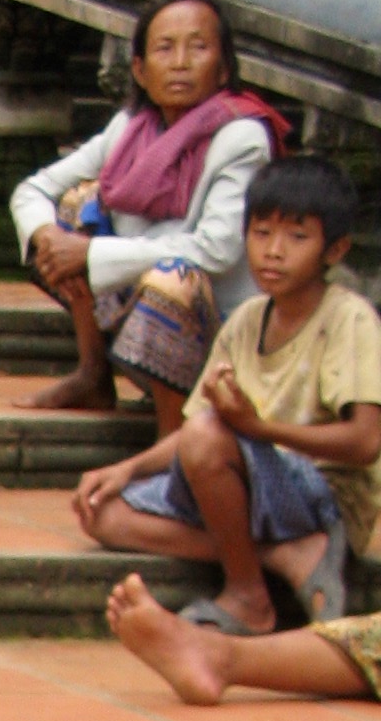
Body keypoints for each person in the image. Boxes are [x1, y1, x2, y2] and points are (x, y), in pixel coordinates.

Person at [73, 155, 379, 650]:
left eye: (296, 238)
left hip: (323, 493)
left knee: (207, 436)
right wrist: (126, 470)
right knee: (102, 513)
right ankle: (283, 556)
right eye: (261, 233)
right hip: (253, 487)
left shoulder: (349, 319)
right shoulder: (247, 319)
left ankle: (248, 595)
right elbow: (195, 430)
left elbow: (365, 442)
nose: (273, 252)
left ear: (334, 249)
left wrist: (259, 430)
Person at [12, 0, 289, 430]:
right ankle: (94, 374)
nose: (180, 62)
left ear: (223, 70)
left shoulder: (242, 139)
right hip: (135, 318)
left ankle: (172, 433)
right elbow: (33, 189)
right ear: (140, 70)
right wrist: (50, 239)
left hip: (216, 334)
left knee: (171, 278)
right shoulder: (128, 128)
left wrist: (91, 254)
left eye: (198, 48)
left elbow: (215, 250)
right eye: (165, 48)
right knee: (75, 204)